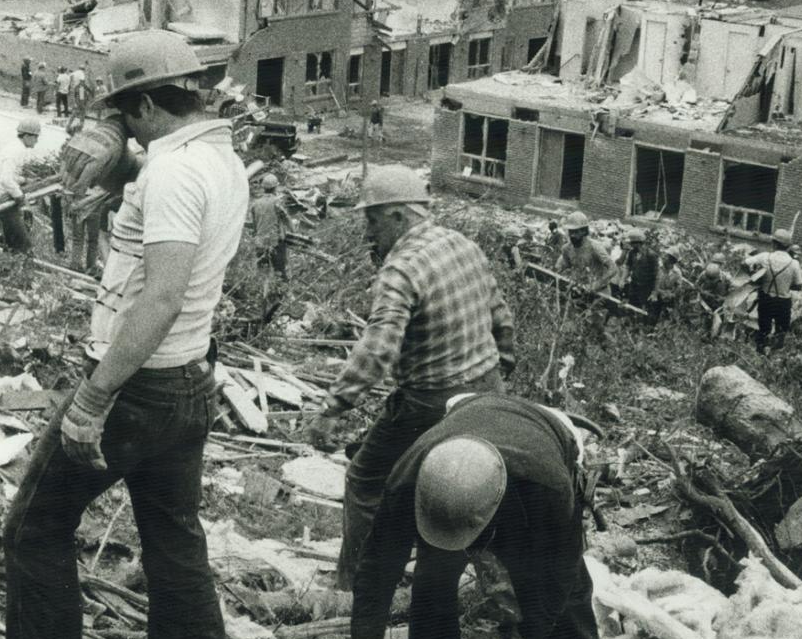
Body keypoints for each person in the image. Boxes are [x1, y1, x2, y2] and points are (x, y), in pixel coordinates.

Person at [1, 31, 247, 639]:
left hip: (137, 385)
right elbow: (158, 227)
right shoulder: (217, 160)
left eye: (122, 113)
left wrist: (94, 395)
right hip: (188, 381)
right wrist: (122, 169)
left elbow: (161, 294)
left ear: (142, 104)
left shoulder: (173, 175)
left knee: (34, 528)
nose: (117, 126)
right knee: (174, 548)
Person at [330, 392, 619, 639]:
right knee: (432, 582)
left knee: (566, 597)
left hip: (541, 446)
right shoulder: (408, 478)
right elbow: (377, 565)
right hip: (461, 436)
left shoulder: (547, 486)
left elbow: (561, 570)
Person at [302, 166, 516, 589]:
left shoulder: (401, 270)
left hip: (430, 401)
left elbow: (379, 348)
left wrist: (334, 408)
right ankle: (497, 583)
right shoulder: (463, 244)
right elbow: (500, 314)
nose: (368, 232)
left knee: (365, 480)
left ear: (399, 216)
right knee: (480, 486)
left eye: (372, 219)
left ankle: (355, 586)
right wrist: (499, 371)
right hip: (487, 390)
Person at [0, 118, 48, 254]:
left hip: (4, 197)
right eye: (35, 137)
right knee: (24, 245)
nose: (36, 140)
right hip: (2, 199)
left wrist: (25, 180)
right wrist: (20, 197)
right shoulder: (16, 151)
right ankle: (19, 266)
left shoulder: (16, 148)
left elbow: (10, 176)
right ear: (27, 136)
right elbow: (5, 179)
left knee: (12, 242)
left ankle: (8, 265)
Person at [745, 229, 800, 354]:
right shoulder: (794, 263)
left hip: (766, 299)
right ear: (788, 246)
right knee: (781, 331)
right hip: (783, 302)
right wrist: (785, 285)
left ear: (774, 243)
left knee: (764, 328)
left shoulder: (765, 257)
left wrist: (755, 277)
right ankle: (775, 355)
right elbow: (799, 285)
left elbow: (745, 263)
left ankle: (760, 352)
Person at [555, 212, 615, 297]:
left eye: (576, 232)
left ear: (584, 231)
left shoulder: (595, 247)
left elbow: (613, 268)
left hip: (599, 292)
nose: (572, 235)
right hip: (580, 290)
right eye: (571, 231)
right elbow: (565, 266)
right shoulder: (566, 249)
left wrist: (595, 285)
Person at [249, 172, 293, 278]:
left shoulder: (255, 204)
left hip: (260, 242)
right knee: (280, 271)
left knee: (263, 272)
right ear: (275, 188)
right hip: (275, 243)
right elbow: (286, 218)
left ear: (263, 188)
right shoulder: (277, 202)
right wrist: (293, 231)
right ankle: (282, 292)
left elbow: (254, 226)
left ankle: (262, 292)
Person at [617, 228, 657, 310]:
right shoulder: (632, 253)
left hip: (646, 287)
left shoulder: (651, 255)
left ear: (637, 243)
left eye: (631, 243)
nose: (630, 245)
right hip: (634, 284)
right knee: (632, 305)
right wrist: (622, 279)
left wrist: (654, 292)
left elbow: (657, 275)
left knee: (643, 308)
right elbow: (628, 267)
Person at [648, 250, 692, 324]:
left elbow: (678, 286)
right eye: (664, 256)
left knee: (671, 316)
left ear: (671, 260)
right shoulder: (657, 268)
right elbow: (650, 282)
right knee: (653, 314)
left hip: (669, 297)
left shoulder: (677, 272)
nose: (663, 257)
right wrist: (656, 292)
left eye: (666, 256)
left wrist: (672, 294)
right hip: (656, 294)